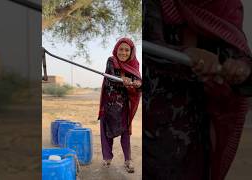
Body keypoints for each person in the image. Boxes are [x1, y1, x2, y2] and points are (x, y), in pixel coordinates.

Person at [144, 0, 252, 179]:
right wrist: (185, 54)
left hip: (195, 128)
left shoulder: (227, 5)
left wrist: (241, 69)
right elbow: (148, 47)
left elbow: (236, 55)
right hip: (153, 123)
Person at [98, 37, 142, 173]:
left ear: (131, 52)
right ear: (116, 50)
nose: (123, 52)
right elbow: (110, 78)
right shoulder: (111, 61)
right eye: (121, 49)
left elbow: (138, 82)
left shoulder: (134, 65)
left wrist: (137, 83)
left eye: (127, 50)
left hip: (123, 105)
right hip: (108, 103)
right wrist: (123, 80)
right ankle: (107, 159)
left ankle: (128, 160)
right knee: (105, 132)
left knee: (125, 133)